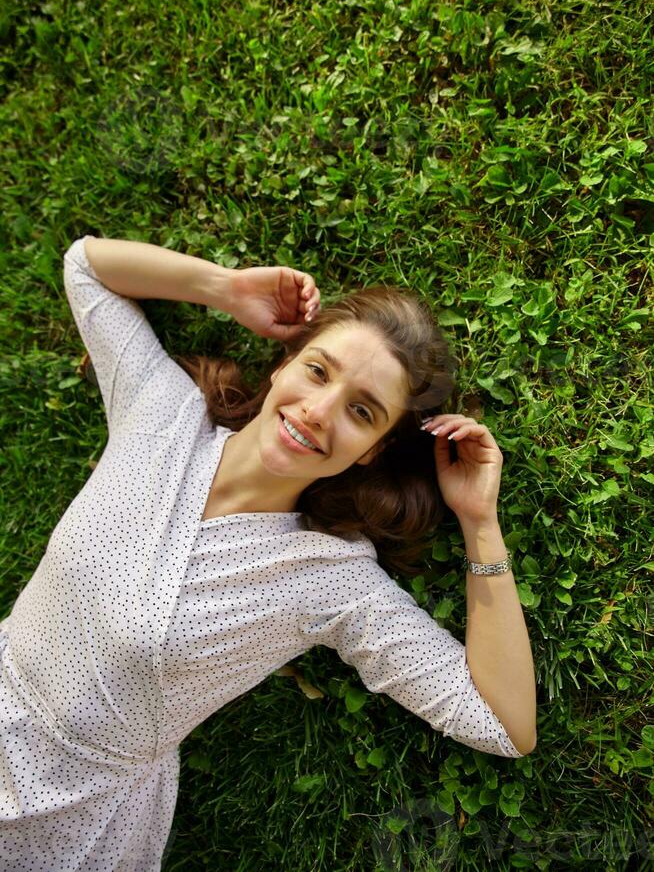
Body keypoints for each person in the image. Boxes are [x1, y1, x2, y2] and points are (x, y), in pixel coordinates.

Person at [0, 234, 537, 870]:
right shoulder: (161, 413)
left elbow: (504, 722)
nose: (317, 412)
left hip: (64, 816)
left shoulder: (330, 577)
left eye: (361, 411)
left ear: (371, 450)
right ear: (283, 364)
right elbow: (85, 267)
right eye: (318, 370)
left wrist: (480, 523)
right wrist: (224, 288)